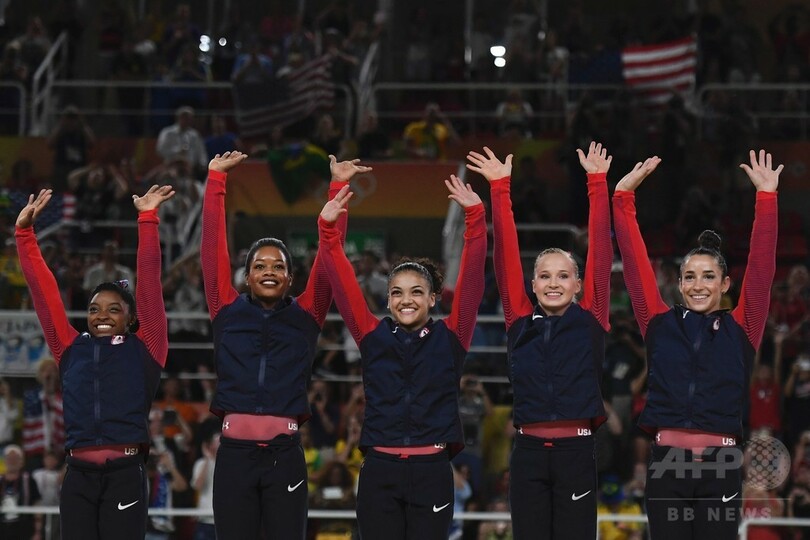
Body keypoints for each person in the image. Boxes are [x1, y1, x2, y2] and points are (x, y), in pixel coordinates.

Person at [612, 149, 780, 539]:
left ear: (725, 284)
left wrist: (767, 199)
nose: (697, 285)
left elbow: (761, 268)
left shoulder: (743, 327)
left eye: (708, 276)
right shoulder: (658, 323)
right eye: (689, 276)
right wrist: (622, 199)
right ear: (680, 283)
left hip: (721, 463)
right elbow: (635, 265)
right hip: (667, 462)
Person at [201, 150, 369, 539]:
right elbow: (212, 251)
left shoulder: (307, 314)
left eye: (278, 266)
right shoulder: (225, 308)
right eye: (259, 266)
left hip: (285, 455)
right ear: (246, 276)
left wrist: (339, 186)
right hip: (234, 456)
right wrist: (216, 182)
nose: (269, 272)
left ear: (291, 278)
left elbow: (330, 260)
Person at [317, 173, 487, 539]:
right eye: (396, 292)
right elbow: (343, 282)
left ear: (432, 298)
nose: (405, 300)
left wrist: (475, 219)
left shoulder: (451, 336)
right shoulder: (371, 334)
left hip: (432, 470)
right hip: (380, 470)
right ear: (388, 298)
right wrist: (327, 231)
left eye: (416, 292)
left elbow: (472, 282)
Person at [467, 143, 611, 539]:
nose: (553, 283)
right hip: (528, 454)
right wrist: (500, 188)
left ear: (578, 284)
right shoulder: (518, 320)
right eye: (544, 276)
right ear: (532, 284)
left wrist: (597, 184)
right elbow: (505, 257)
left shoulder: (592, 317)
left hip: (576, 453)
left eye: (563, 276)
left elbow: (600, 250)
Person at [15, 184, 175, 540]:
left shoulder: (147, 347)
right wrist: (24, 235)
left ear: (131, 318)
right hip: (78, 477)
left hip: (125, 474)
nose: (102, 315)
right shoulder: (70, 347)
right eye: (94, 309)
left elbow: (150, 284)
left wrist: (148, 219)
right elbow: (44, 293)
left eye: (113, 309)